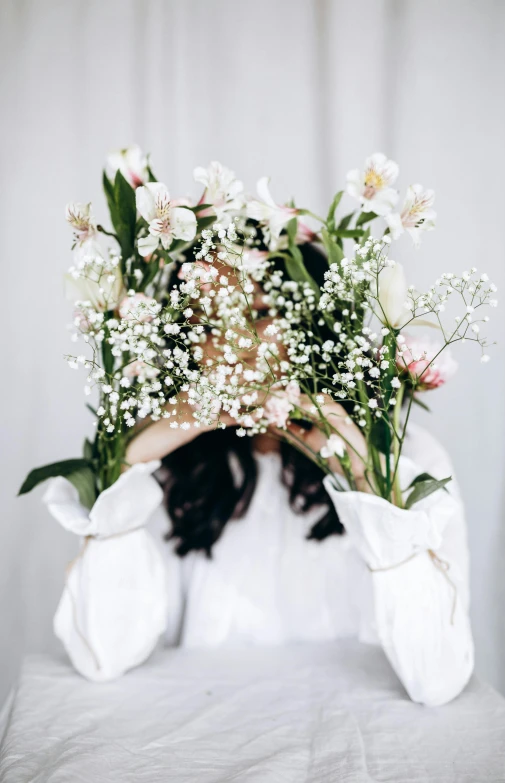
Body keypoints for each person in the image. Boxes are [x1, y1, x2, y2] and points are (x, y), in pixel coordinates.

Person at [47, 243, 474, 707]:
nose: (238, 344)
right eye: (209, 323)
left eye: (261, 312)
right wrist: (133, 458)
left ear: (314, 319)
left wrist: (362, 473)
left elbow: (437, 679)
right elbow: (102, 657)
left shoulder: (408, 459)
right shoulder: (162, 473)